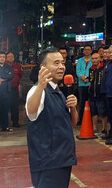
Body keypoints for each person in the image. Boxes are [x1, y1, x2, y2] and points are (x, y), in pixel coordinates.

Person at [26, 48, 78, 188]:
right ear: (43, 67)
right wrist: (40, 87)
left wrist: (73, 108)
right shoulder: (38, 91)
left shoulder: (58, 91)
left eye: (62, 63)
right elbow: (31, 112)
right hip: (48, 162)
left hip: (62, 158)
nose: (61, 67)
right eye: (56, 63)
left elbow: (71, 123)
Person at [88, 50, 108, 136]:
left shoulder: (104, 68)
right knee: (93, 112)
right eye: (92, 59)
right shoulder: (91, 69)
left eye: (96, 58)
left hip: (101, 93)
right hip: (92, 93)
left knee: (103, 112)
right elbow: (90, 80)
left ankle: (104, 129)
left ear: (100, 58)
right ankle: (95, 128)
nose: (94, 60)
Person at [0, 51, 14, 132]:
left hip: (6, 91)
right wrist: (5, 78)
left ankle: (5, 126)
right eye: (0, 57)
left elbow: (11, 75)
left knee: (5, 109)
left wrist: (2, 78)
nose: (2, 58)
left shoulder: (8, 67)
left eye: (3, 57)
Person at [75, 45, 93, 125]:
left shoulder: (93, 59)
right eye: (85, 49)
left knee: (90, 102)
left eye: (89, 50)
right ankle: (81, 119)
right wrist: (82, 77)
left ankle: (90, 120)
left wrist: (87, 78)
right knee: (81, 103)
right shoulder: (79, 60)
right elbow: (77, 71)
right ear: (83, 51)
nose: (87, 51)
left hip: (90, 84)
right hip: (81, 84)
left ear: (91, 51)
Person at [7, 52, 24, 127]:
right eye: (9, 56)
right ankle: (5, 123)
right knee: (5, 106)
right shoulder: (4, 66)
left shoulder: (17, 66)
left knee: (15, 106)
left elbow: (20, 75)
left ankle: (15, 122)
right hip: (6, 89)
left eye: (12, 56)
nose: (10, 58)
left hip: (14, 89)